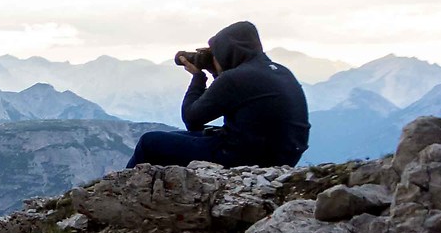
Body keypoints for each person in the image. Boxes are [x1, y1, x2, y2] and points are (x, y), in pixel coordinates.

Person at [129, 20, 310, 169]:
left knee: (150, 142)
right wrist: (218, 73)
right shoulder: (280, 71)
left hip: (244, 157)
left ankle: (114, 195)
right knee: (186, 136)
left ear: (228, 51)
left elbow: (192, 119)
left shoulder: (235, 78)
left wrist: (198, 77)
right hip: (284, 156)